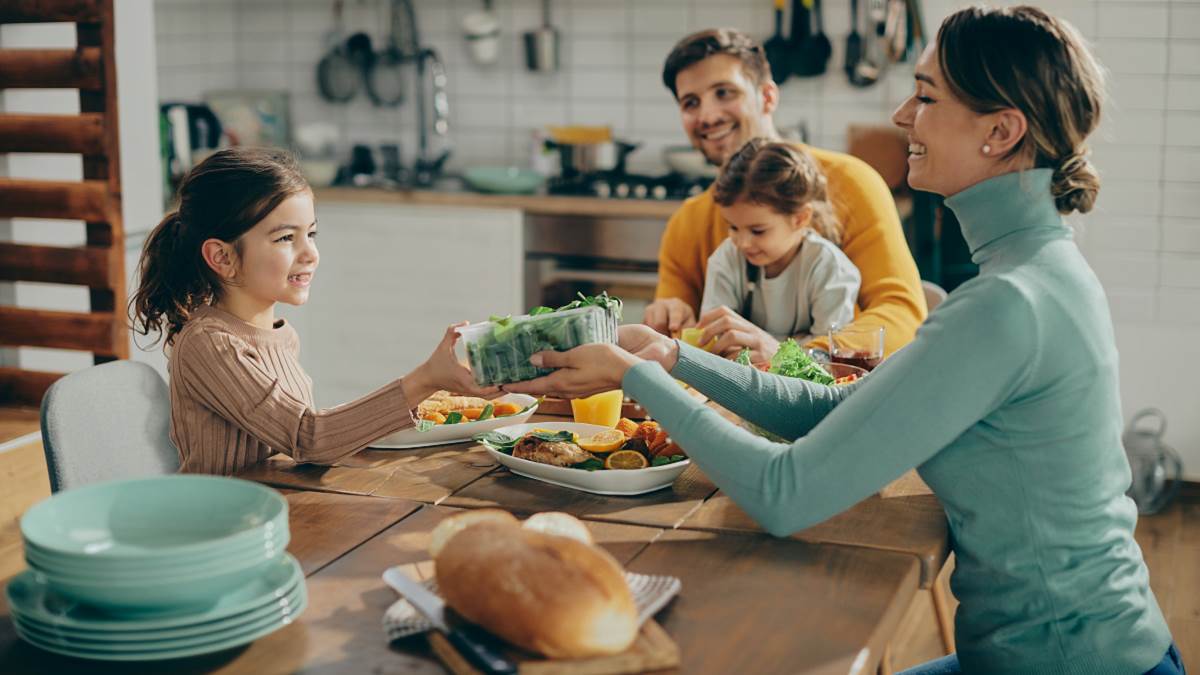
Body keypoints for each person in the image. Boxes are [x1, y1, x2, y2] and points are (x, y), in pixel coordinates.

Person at [508, 7, 1183, 673]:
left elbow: (783, 493)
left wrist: (633, 375)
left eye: (924, 96)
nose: (900, 116)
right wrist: (675, 357)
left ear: (1001, 131)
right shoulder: (1034, 272)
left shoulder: (1005, 303)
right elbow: (841, 409)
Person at [130, 147, 494, 475]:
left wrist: (426, 397)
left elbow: (302, 439)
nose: (309, 254)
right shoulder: (209, 345)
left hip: (280, 509)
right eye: (286, 238)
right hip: (221, 533)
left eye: (312, 234)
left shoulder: (280, 336)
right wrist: (424, 379)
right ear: (222, 257)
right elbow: (309, 439)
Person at [644, 28, 924, 362]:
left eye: (724, 92)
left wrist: (792, 359)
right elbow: (679, 344)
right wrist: (669, 316)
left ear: (767, 97)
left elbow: (901, 313)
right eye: (691, 102)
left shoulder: (853, 183)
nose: (708, 115)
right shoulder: (686, 224)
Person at [699, 138, 859, 356]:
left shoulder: (829, 268)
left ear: (800, 219)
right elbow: (714, 342)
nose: (742, 243)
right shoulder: (726, 258)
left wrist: (775, 352)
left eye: (758, 231)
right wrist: (802, 343)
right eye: (733, 227)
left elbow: (830, 360)